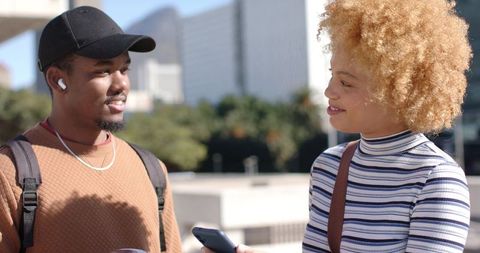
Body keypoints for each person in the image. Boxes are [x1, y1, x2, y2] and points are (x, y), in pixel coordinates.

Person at [204, 0, 472, 252]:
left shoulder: (437, 180)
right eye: (332, 75)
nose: (329, 91)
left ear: (399, 92)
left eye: (346, 83)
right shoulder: (329, 166)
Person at [0, 6, 182, 253]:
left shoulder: (152, 170)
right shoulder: (10, 173)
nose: (121, 84)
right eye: (104, 71)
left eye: (124, 69)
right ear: (58, 80)